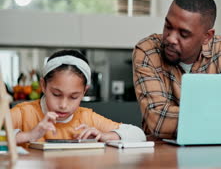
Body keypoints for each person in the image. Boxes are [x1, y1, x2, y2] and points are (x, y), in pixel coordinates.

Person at [133, 0, 221, 139]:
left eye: (184, 34)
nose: (171, 38)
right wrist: (219, 115)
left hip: (217, 149)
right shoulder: (147, 51)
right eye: (168, 26)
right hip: (162, 154)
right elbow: (158, 121)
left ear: (207, 37)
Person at [11, 50, 146, 144]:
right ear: (43, 85)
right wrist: (29, 135)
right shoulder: (23, 113)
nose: (63, 105)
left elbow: (139, 135)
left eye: (74, 97)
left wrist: (105, 136)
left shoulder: (87, 118)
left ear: (84, 91)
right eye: (56, 94)